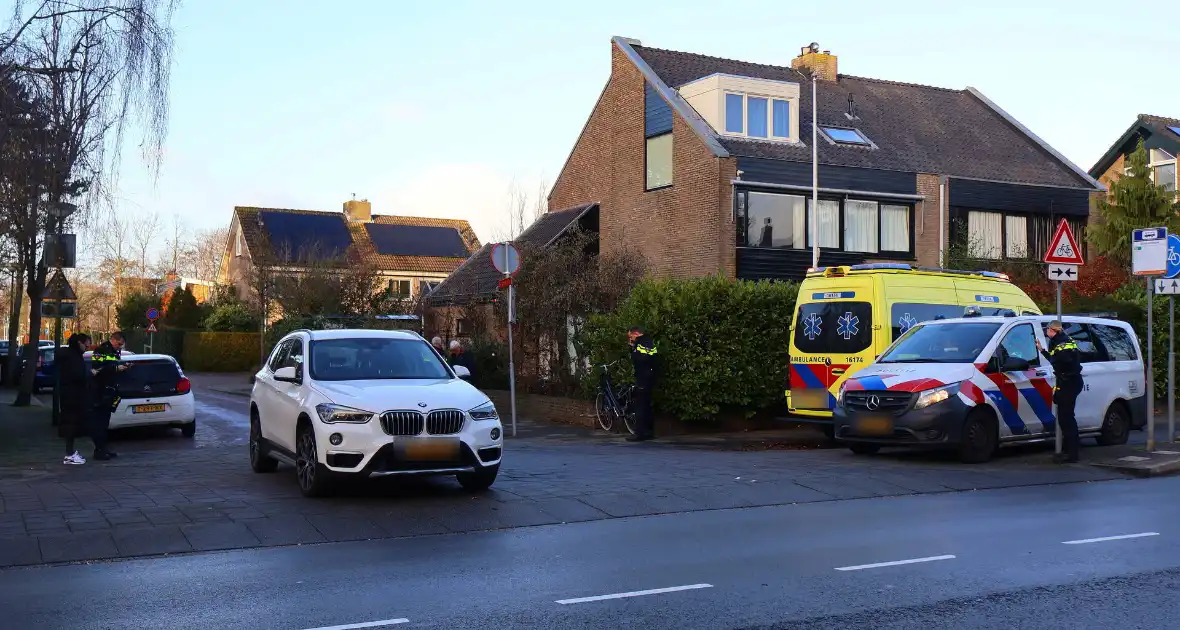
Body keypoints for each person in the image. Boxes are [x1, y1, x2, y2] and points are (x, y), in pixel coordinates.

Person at [1036, 321, 1084, 463]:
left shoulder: (1061, 344)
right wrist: (1042, 350)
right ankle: (1069, 450)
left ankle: (1072, 454)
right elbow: (1056, 358)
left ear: (1053, 330)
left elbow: (1059, 361)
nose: (1046, 332)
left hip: (1068, 382)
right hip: (1069, 381)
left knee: (1066, 418)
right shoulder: (1064, 340)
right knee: (1066, 417)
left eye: (1047, 330)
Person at [90, 332, 130, 461]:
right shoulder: (100, 350)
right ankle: (99, 450)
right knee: (100, 422)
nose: (120, 347)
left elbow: (111, 366)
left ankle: (104, 448)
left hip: (110, 390)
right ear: (113, 340)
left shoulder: (113, 351)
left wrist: (123, 367)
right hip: (101, 391)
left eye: (122, 345)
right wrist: (117, 369)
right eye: (119, 344)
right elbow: (97, 369)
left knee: (105, 422)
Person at [57, 333, 92, 465]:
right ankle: (69, 454)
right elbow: (77, 375)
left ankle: (70, 452)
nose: (88, 346)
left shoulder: (69, 356)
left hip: (69, 395)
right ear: (79, 343)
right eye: (86, 343)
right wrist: (88, 375)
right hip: (73, 396)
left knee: (70, 423)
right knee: (71, 424)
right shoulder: (74, 358)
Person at [627, 325, 659, 442]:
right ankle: (649, 432)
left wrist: (633, 349)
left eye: (631, 337)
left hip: (643, 377)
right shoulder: (649, 342)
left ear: (636, 334)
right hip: (650, 377)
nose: (630, 340)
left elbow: (639, 359)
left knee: (640, 406)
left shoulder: (641, 343)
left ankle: (639, 433)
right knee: (647, 406)